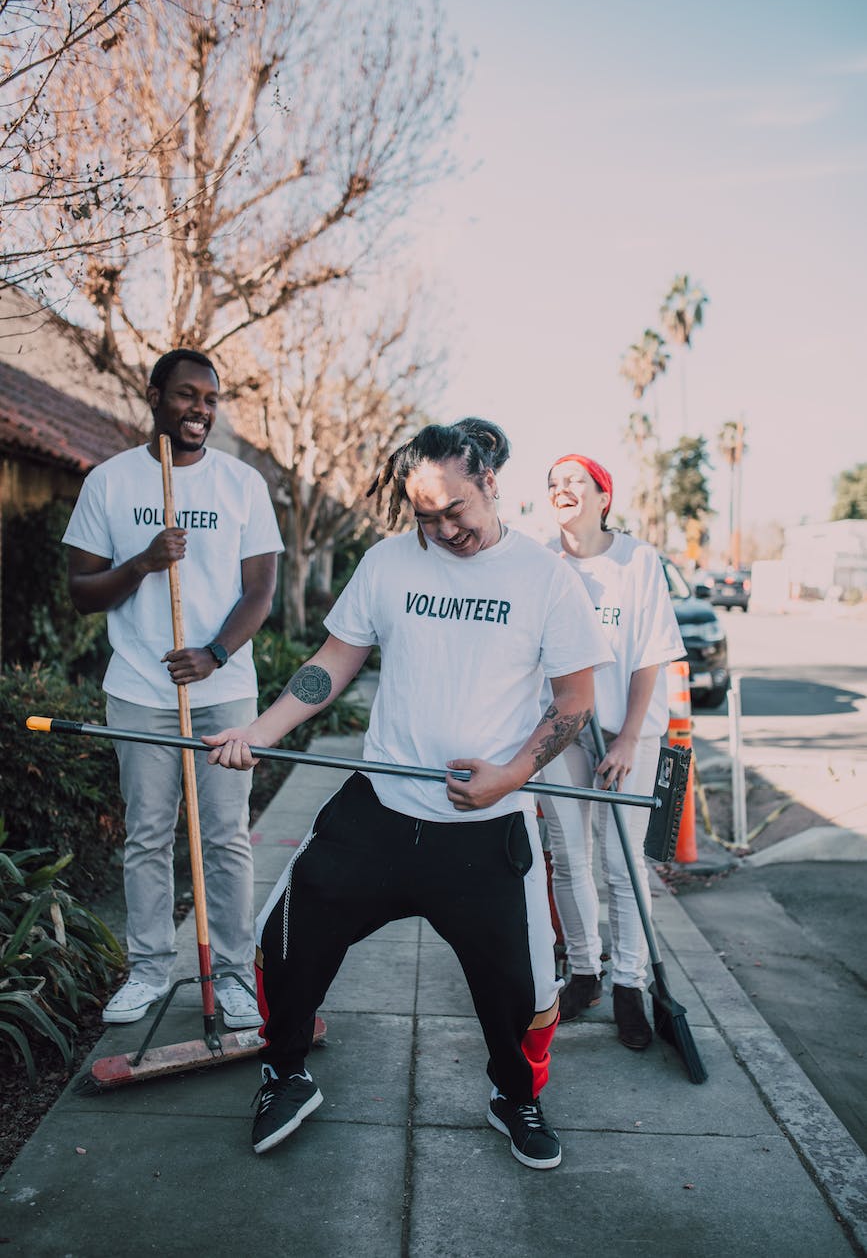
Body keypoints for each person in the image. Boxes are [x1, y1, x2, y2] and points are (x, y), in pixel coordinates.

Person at [204, 418, 613, 1169]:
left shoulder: (545, 580)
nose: (442, 529)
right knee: (284, 942)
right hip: (381, 809)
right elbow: (334, 660)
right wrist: (261, 731)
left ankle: (513, 1095)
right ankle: (284, 1073)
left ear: (489, 482)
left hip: (485, 823)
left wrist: (513, 773)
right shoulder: (390, 562)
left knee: (520, 993)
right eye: (424, 516)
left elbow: (573, 702)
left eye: (453, 510)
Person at [63, 348, 283, 1030]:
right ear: (155, 396)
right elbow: (81, 592)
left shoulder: (242, 484)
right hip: (139, 688)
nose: (200, 410)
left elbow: (261, 591)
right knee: (149, 836)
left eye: (210, 399)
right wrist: (143, 563)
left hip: (222, 690)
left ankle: (234, 977)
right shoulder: (109, 482)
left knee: (225, 837)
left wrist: (215, 653)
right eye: (187, 395)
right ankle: (150, 970)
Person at [537, 454, 684, 1049]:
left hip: (628, 735)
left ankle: (629, 983)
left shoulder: (637, 561)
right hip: (562, 734)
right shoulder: (542, 563)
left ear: (603, 497)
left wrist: (626, 736)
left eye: (574, 480)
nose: (561, 488)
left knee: (622, 864)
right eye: (553, 483)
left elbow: (650, 651)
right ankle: (585, 972)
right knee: (569, 860)